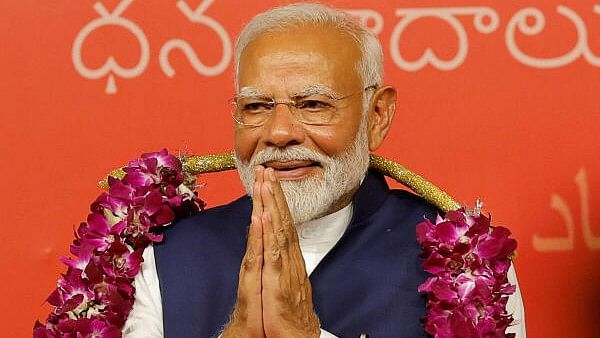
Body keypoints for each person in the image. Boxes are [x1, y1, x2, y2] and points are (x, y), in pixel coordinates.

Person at [122, 3, 525, 337]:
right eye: (257, 106)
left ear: (377, 115)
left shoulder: (464, 264)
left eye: (313, 105)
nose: (279, 133)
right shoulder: (167, 255)